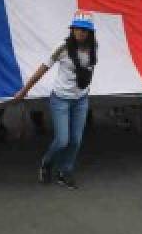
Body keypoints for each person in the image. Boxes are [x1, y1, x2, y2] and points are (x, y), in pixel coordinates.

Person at [13, 11, 98, 189]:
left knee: (76, 141)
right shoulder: (62, 47)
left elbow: (88, 72)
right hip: (61, 100)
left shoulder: (93, 47)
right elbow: (43, 68)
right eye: (78, 28)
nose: (81, 32)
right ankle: (46, 163)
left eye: (85, 30)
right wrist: (24, 90)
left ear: (90, 32)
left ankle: (65, 172)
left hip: (81, 100)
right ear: (72, 29)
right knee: (62, 140)